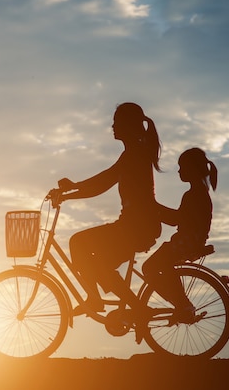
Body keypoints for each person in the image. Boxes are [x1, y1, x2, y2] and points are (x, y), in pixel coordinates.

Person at [55, 102, 162, 317]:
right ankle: (107, 301)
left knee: (79, 244)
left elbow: (103, 182)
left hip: (136, 228)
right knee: (95, 262)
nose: (112, 127)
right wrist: (71, 191)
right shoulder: (133, 153)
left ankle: (109, 303)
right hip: (135, 226)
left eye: (116, 122)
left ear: (127, 125)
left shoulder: (135, 155)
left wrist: (71, 191)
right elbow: (104, 181)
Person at [142, 147, 218, 323]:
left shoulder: (194, 194)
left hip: (186, 242)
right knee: (161, 266)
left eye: (182, 167)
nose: (179, 171)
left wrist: (154, 208)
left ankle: (181, 303)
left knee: (149, 268)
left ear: (192, 169)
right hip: (188, 241)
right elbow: (180, 219)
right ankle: (180, 303)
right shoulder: (199, 193)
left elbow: (177, 220)